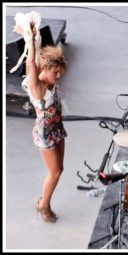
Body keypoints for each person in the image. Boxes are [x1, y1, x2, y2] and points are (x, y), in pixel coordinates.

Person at [14, 22, 67, 223]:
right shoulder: (36, 87)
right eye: (56, 72)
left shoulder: (48, 77)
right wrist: (30, 41)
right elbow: (31, 64)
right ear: (46, 68)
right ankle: (43, 205)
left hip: (57, 128)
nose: (59, 76)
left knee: (59, 169)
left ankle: (44, 201)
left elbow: (37, 56)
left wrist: (34, 36)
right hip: (45, 134)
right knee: (54, 172)